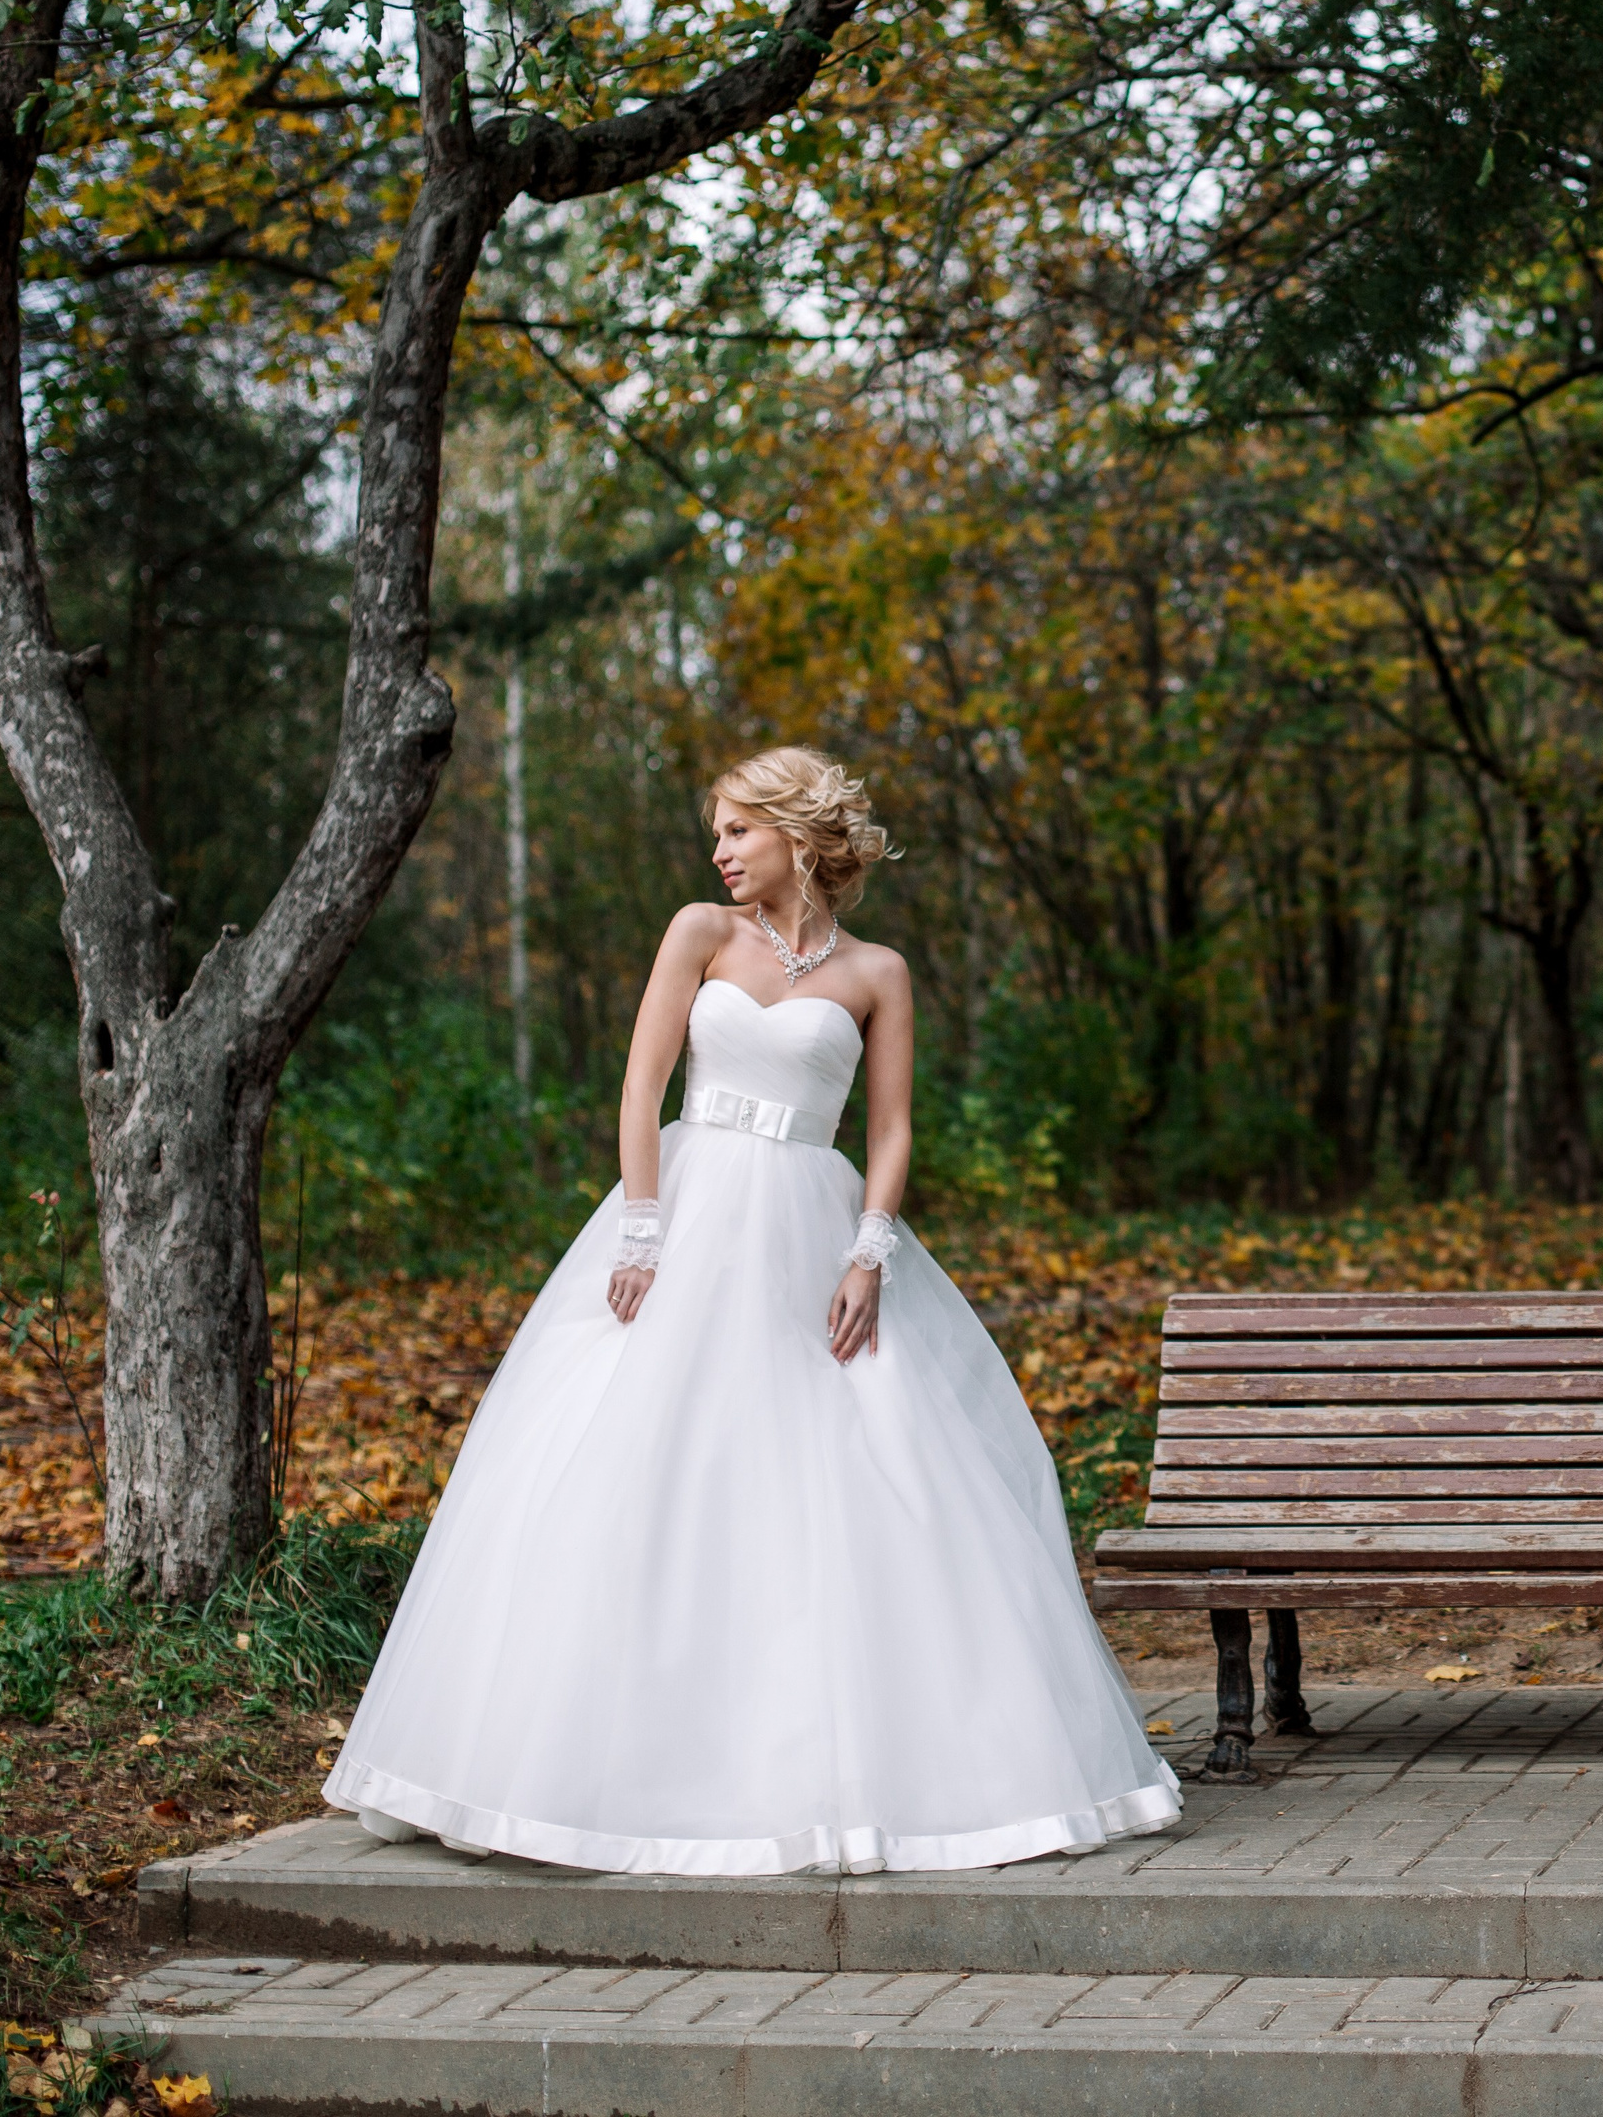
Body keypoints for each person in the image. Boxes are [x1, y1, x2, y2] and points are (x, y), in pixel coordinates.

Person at [323, 746, 1180, 1876]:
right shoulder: (698, 934)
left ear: (794, 831)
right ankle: (568, 1768)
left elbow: (890, 1130)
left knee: (855, 1475)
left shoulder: (878, 971)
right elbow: (640, 1085)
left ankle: (881, 1769)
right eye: (716, 834)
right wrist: (641, 1227)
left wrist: (869, 1254)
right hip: (689, 1212)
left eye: (738, 830)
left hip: (815, 1231)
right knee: (635, 1459)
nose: (720, 853)